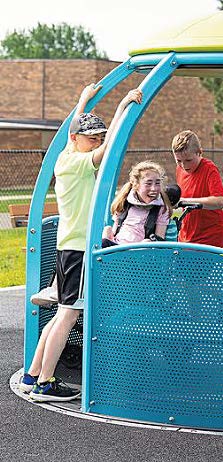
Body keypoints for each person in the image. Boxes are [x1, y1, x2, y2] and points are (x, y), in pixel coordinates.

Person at [20, 84, 143, 402]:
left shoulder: (65, 155)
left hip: (68, 245)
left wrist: (84, 100)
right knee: (69, 314)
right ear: (76, 139)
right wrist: (123, 107)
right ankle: (45, 383)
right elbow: (111, 146)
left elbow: (75, 127)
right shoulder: (77, 162)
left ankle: (33, 374)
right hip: (79, 249)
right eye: (92, 138)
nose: (97, 143)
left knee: (63, 311)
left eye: (98, 138)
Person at [171, 130, 223, 248]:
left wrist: (183, 201)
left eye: (188, 160)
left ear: (200, 153)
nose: (184, 165)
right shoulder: (180, 169)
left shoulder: (209, 169)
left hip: (209, 237)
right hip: (187, 235)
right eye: (179, 161)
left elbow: (220, 201)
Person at [101, 161, 172, 248]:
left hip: (139, 252)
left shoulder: (161, 208)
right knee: (107, 230)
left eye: (157, 183)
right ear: (136, 185)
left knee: (147, 242)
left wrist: (149, 243)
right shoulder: (124, 202)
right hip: (117, 247)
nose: (154, 188)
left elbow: (159, 238)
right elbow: (115, 231)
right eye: (148, 184)